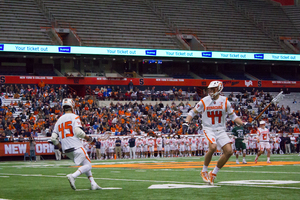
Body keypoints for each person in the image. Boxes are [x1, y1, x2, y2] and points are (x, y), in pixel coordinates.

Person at [183, 81, 245, 185]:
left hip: (220, 129)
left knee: (229, 151)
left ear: (218, 89)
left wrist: (243, 123)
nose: (210, 91)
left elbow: (233, 116)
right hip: (209, 128)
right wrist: (186, 122)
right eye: (210, 89)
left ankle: (213, 173)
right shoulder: (204, 101)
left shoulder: (225, 101)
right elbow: (192, 112)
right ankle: (204, 170)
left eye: (213, 89)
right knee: (212, 147)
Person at [51, 98, 102, 190]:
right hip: (75, 146)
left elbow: (53, 138)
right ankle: (73, 176)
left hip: (66, 149)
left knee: (86, 163)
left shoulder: (58, 120)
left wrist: (60, 148)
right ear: (72, 106)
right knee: (89, 165)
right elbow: (78, 132)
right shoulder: (74, 116)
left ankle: (93, 183)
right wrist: (89, 138)